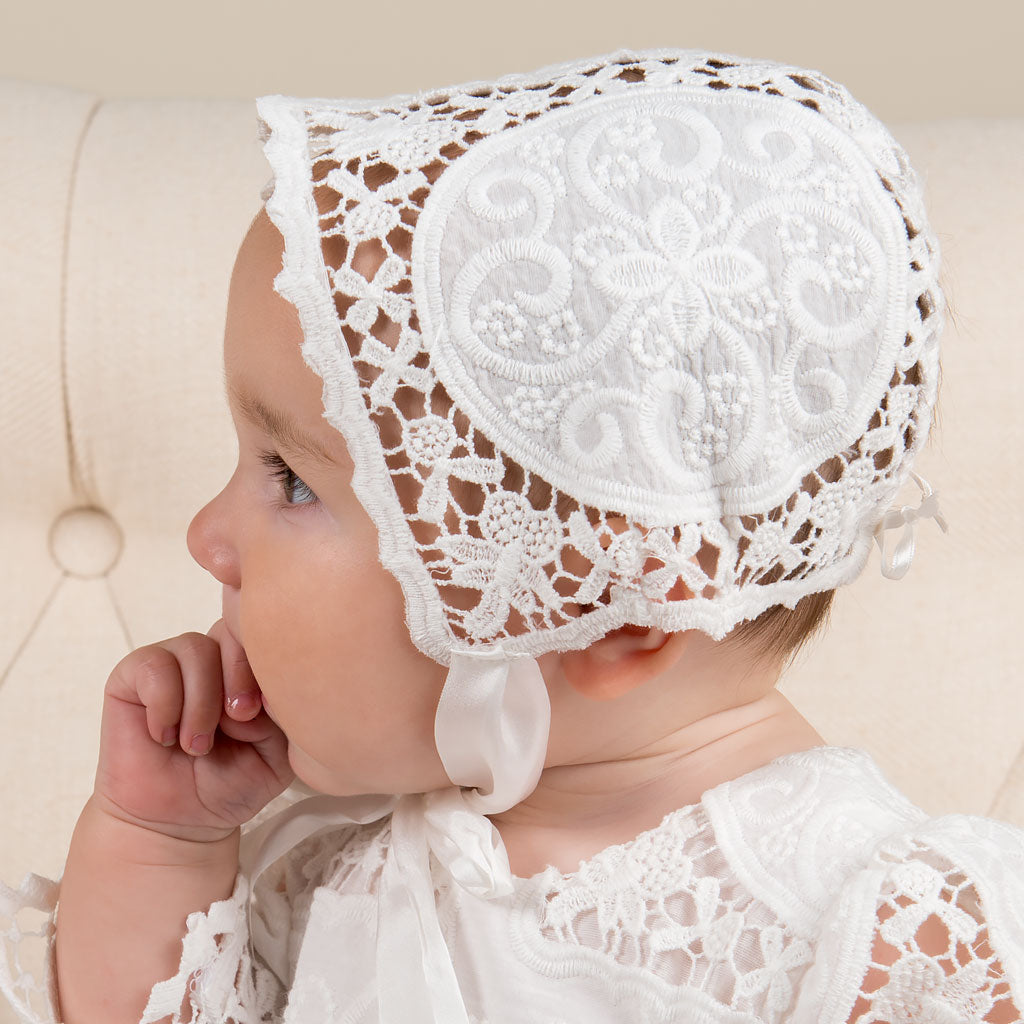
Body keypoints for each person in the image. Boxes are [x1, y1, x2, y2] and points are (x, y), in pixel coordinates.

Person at [3, 47, 1023, 1024]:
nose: (206, 537)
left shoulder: (888, 929)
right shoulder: (324, 862)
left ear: (605, 612)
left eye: (292, 482)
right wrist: (159, 843)